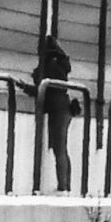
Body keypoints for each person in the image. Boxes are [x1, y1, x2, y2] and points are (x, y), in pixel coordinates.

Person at [34, 31, 76, 193]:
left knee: (59, 149)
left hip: (57, 109)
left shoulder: (49, 66)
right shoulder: (59, 65)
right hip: (63, 108)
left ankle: (63, 187)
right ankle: (65, 186)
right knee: (61, 148)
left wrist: (26, 86)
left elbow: (42, 88)